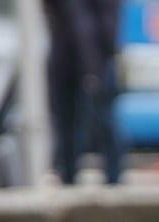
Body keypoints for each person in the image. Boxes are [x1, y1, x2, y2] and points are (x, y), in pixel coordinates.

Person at [44, 0, 123, 184]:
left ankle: (102, 175)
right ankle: (74, 173)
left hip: (87, 60)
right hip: (84, 59)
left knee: (97, 120)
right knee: (75, 121)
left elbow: (84, 24)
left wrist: (91, 67)